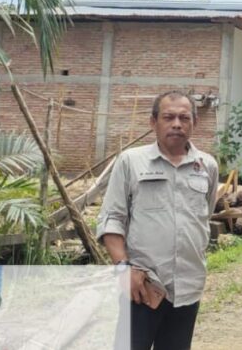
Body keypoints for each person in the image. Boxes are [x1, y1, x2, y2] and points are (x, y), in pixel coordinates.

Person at [96, 91, 219, 350]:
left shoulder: (206, 166)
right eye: (168, 117)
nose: (177, 123)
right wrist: (124, 269)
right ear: (153, 122)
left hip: (188, 286)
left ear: (194, 123)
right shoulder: (131, 161)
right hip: (142, 286)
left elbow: (204, 216)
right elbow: (112, 219)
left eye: (184, 118)